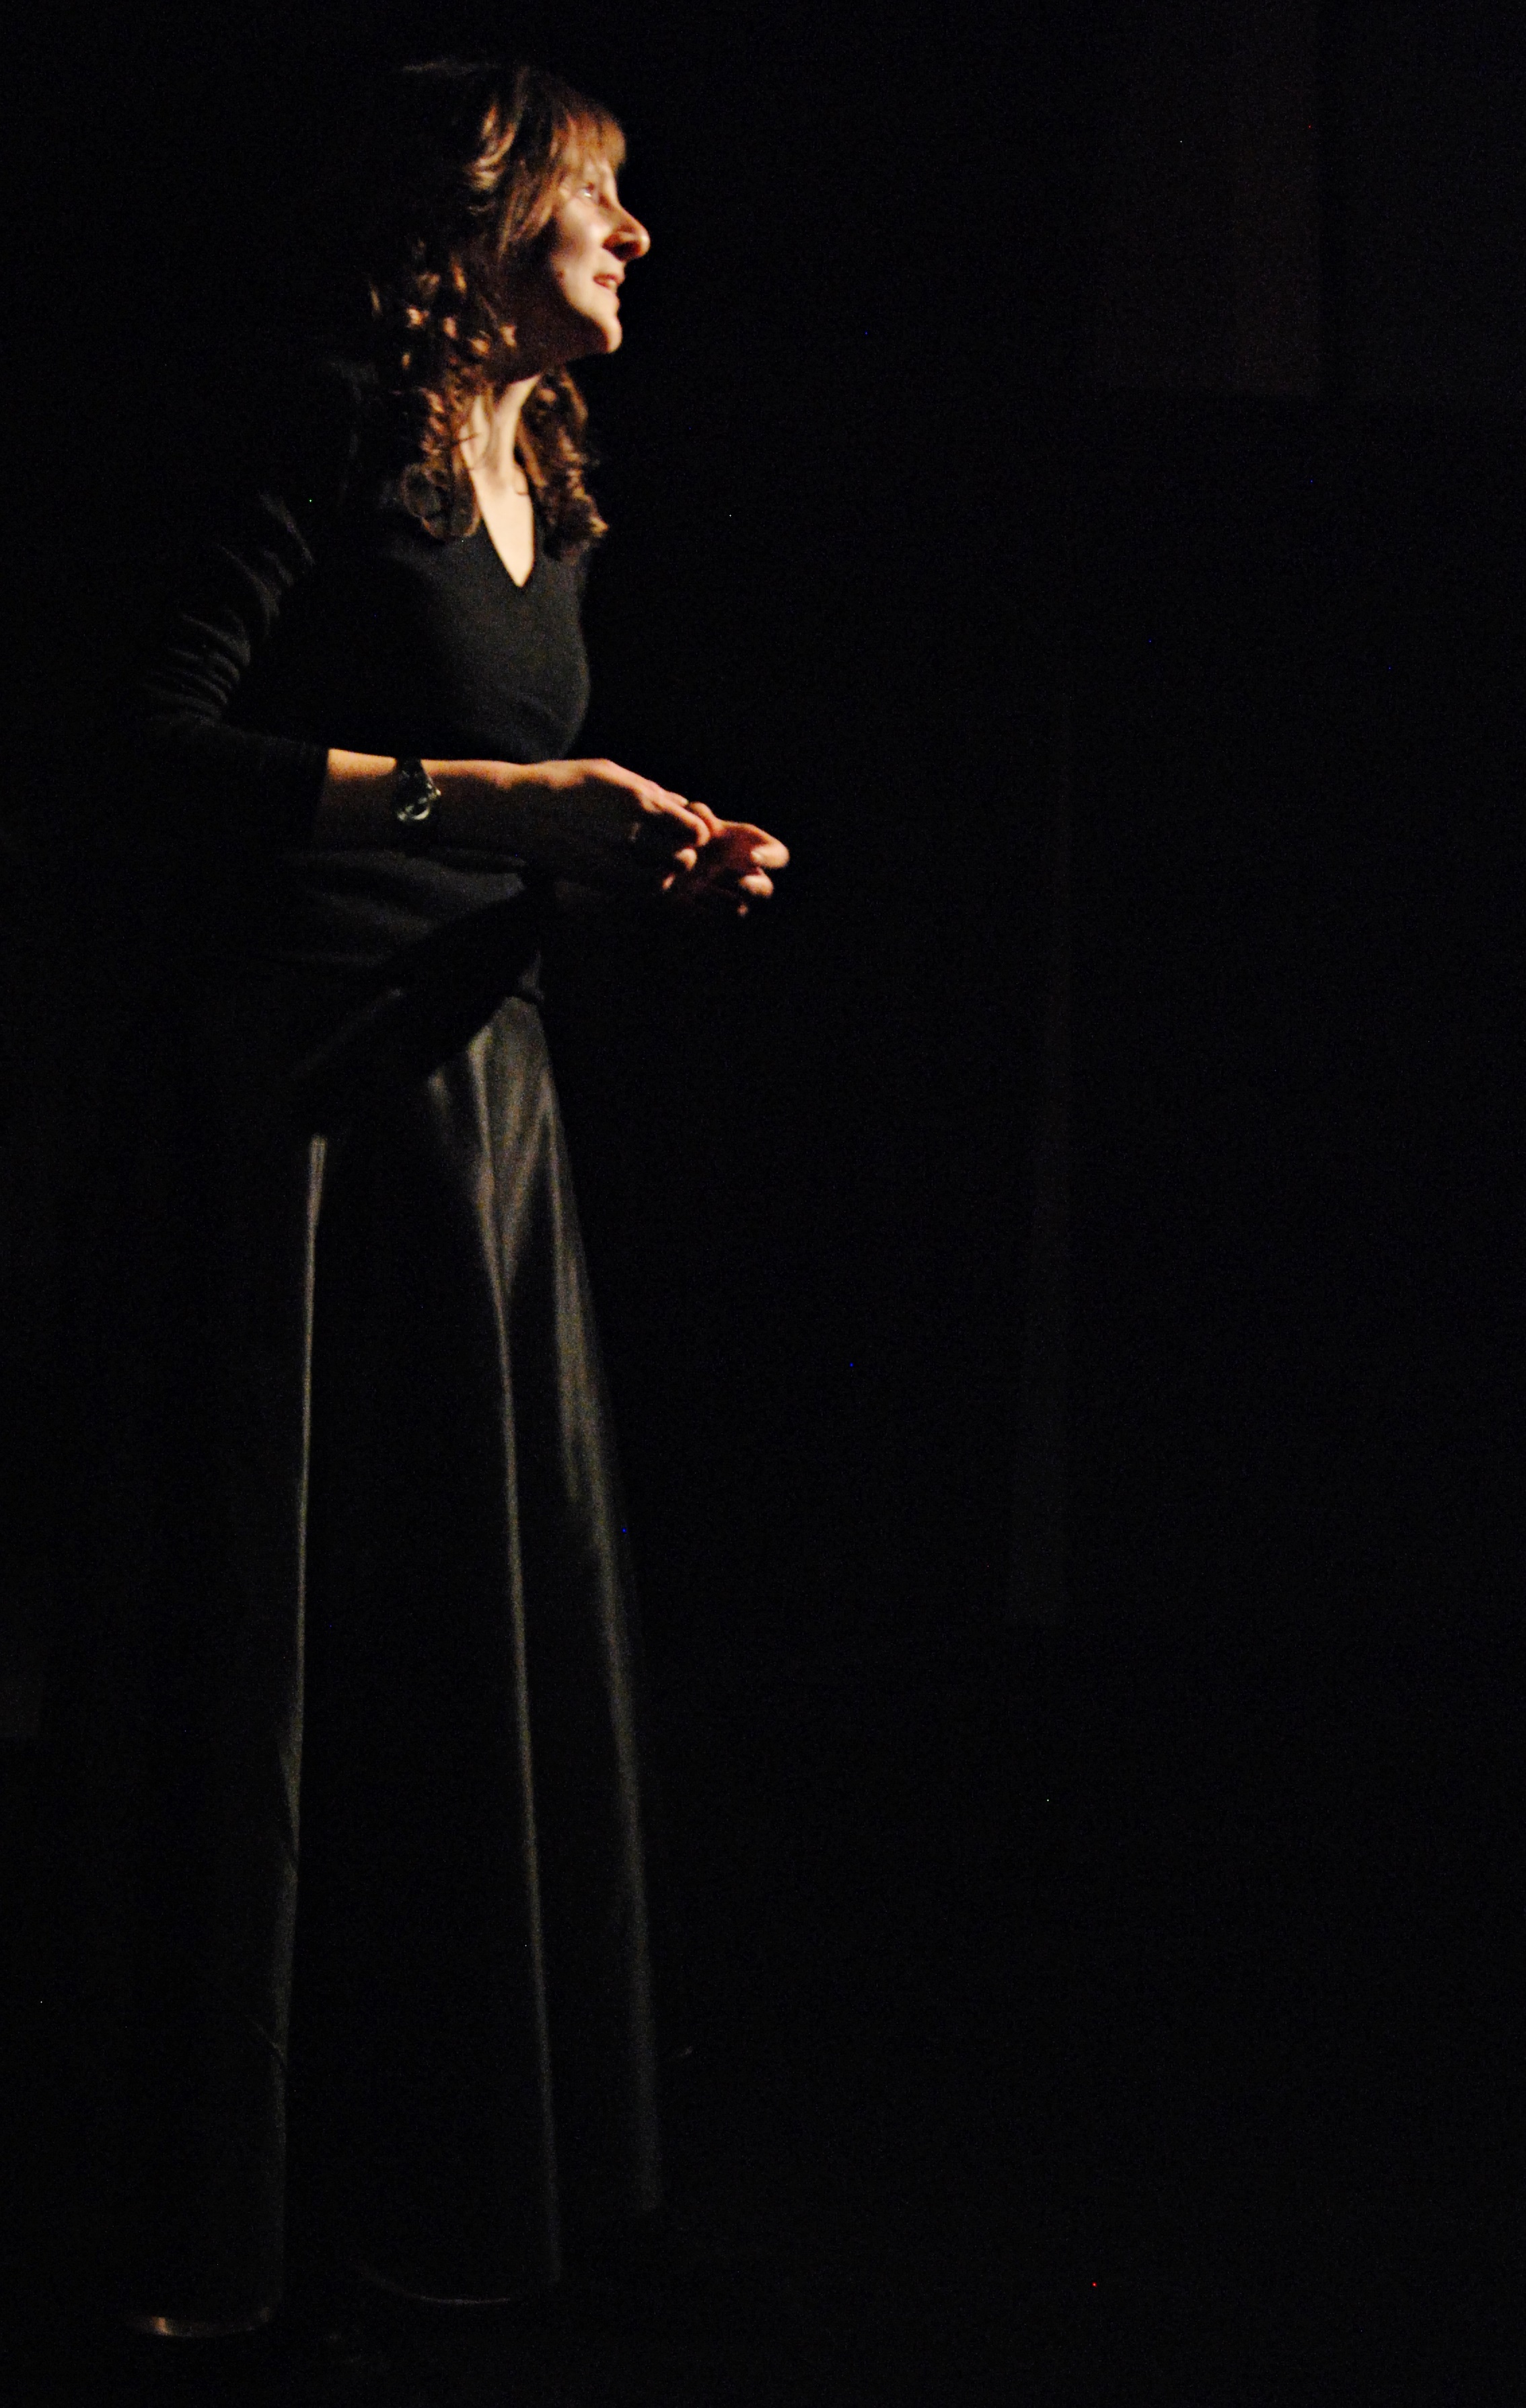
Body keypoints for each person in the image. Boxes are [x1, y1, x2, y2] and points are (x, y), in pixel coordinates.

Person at [36, 52, 788, 2364]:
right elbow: (141, 751)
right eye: (598, 193)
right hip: (292, 1118)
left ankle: (442, 2176)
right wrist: (495, 802)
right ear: (483, 209)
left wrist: (638, 850)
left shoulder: (551, 481)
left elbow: (505, 816)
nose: (635, 234)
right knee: (279, 1654)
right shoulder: (331, 424)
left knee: (472, 1656)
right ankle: (203, 2207)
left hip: (481, 1110)